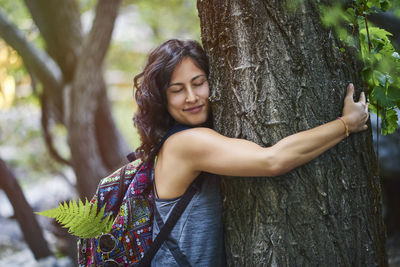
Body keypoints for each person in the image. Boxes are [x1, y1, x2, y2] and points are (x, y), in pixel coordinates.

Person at [133, 39, 369, 266]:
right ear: (162, 99)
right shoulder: (186, 143)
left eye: (198, 83)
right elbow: (273, 160)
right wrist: (347, 123)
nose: (192, 97)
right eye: (177, 90)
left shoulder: (173, 142)